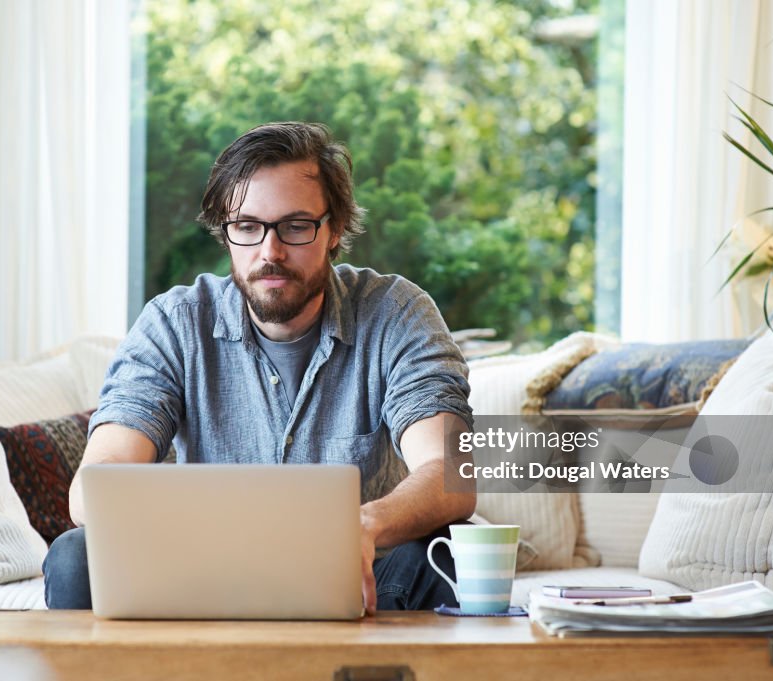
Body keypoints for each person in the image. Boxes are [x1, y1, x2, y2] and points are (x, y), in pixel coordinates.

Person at [43, 121, 475, 613]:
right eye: (247, 227)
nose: (270, 252)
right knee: (76, 556)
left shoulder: (396, 313)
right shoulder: (175, 323)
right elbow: (101, 479)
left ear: (333, 230)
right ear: (226, 235)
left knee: (444, 555)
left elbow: (450, 471)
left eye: (295, 226)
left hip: (367, 577)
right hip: (202, 573)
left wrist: (362, 525)